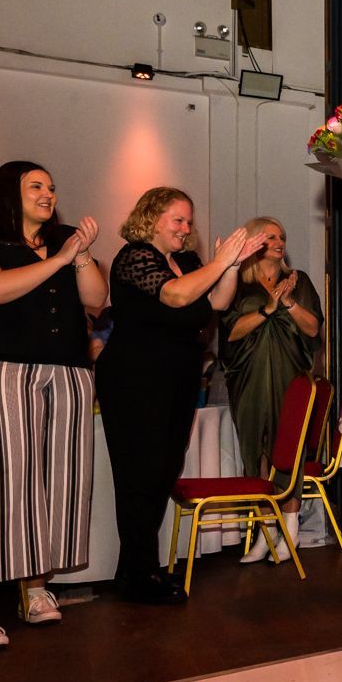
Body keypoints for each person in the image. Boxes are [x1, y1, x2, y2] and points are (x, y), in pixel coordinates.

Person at [0, 160, 107, 651]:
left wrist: (80, 255)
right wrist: (60, 260)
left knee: (60, 478)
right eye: (35, 185)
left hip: (68, 370)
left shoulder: (62, 239)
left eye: (52, 186)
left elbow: (96, 300)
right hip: (2, 368)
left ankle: (36, 590)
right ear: (7, 192)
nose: (48, 193)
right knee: (7, 478)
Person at [97, 188, 265, 604]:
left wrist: (231, 265)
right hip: (135, 379)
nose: (187, 228)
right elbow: (175, 295)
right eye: (178, 220)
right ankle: (141, 573)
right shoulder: (134, 257)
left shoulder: (188, 262)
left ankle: (134, 572)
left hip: (178, 378)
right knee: (140, 474)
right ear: (152, 218)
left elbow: (217, 301)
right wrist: (221, 261)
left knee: (163, 471)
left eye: (189, 221)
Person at [219, 216, 322, 563]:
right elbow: (230, 333)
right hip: (247, 378)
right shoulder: (238, 283)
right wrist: (267, 309)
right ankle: (266, 533)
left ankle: (290, 527)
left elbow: (313, 329)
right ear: (254, 242)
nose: (280, 243)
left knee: (288, 449)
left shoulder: (298, 281)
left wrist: (289, 303)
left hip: (290, 377)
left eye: (282, 237)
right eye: (271, 238)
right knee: (256, 454)